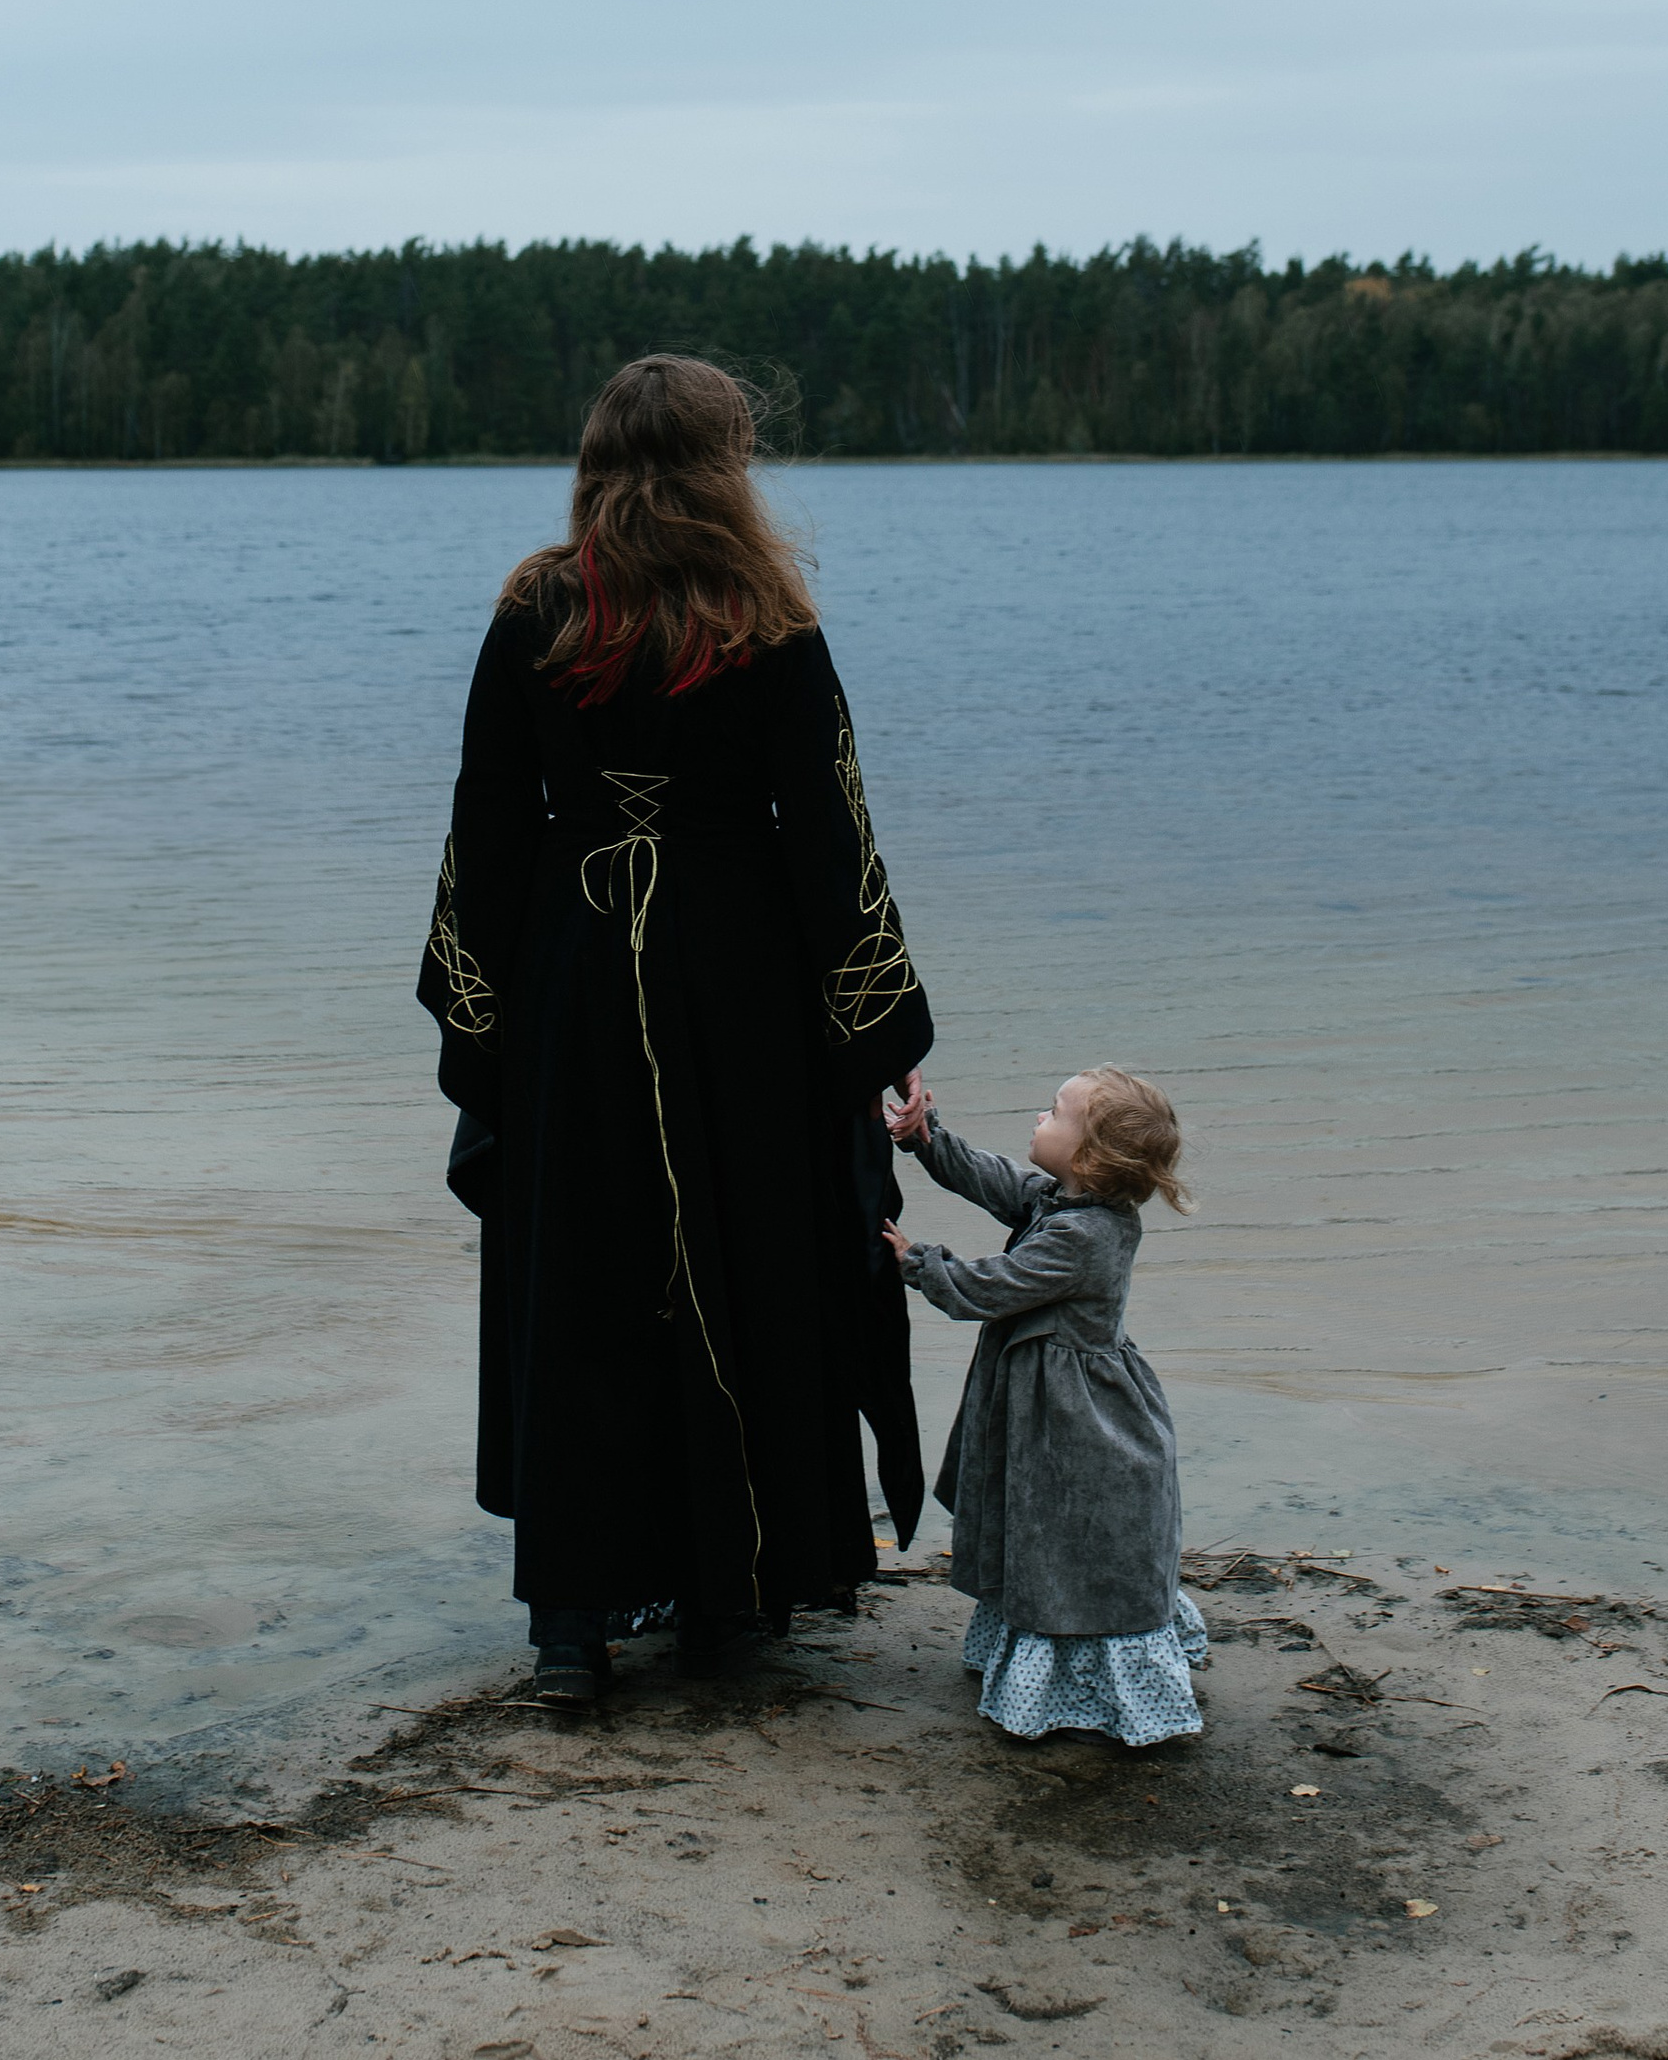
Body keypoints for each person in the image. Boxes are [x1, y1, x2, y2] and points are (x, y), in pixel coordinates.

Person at [416, 355, 935, 1702]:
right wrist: (875, 1016)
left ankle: (571, 1632)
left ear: (595, 459)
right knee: (750, 1255)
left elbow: (486, 821)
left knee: (580, 1277)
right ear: (727, 463)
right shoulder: (766, 610)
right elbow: (828, 832)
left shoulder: (538, 604)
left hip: (574, 977)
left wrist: (483, 1019)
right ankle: (726, 1608)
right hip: (740, 980)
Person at [882, 1063, 1206, 1745]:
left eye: (1055, 1114)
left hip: (1080, 1421)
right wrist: (925, 1138)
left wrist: (916, 1261)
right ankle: (1038, 1651)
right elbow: (997, 1181)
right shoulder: (1066, 1203)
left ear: (1088, 1156)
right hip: (1046, 1403)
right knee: (1041, 1528)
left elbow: (990, 1288)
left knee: (1068, 1535)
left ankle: (1089, 1682)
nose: (1039, 1118)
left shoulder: (1086, 1236)